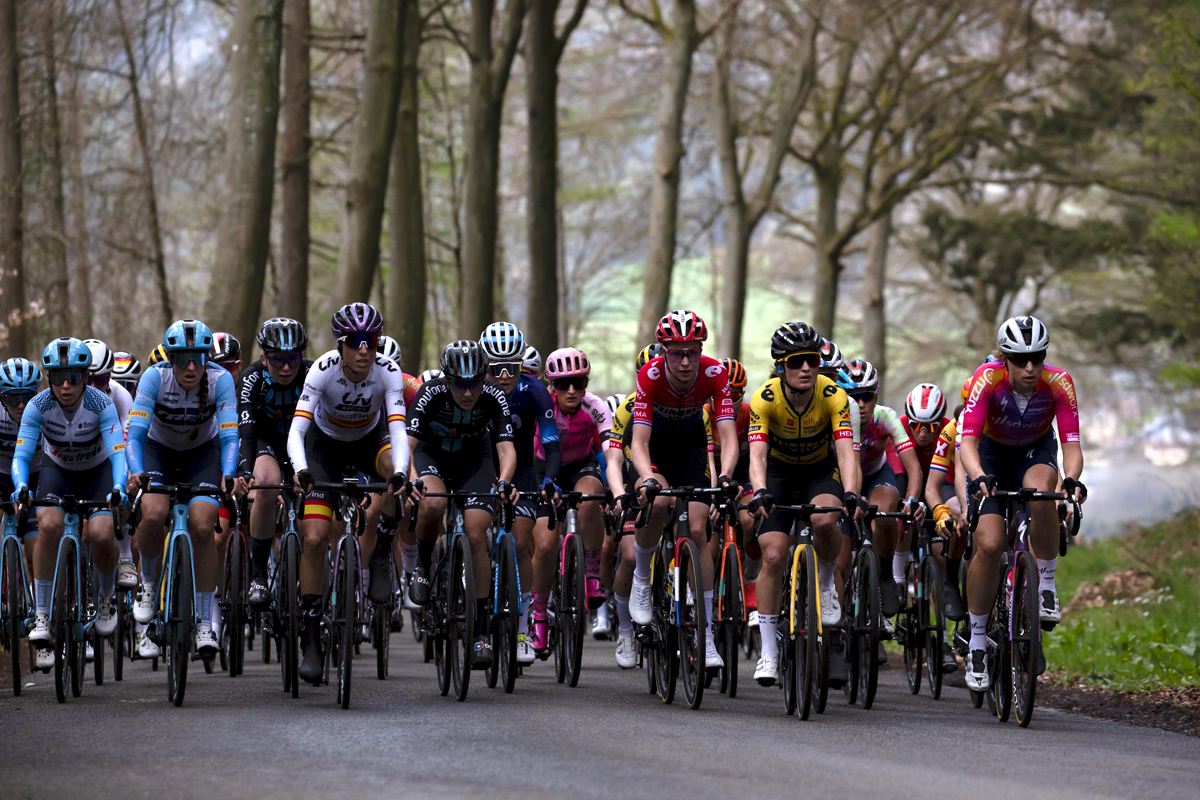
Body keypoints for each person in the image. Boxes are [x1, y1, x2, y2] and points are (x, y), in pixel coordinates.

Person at [959, 316, 1086, 691]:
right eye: (1020, 359)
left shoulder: (1059, 382)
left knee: (1044, 489)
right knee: (991, 544)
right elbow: (966, 443)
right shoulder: (987, 378)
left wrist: (1073, 481)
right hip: (991, 457)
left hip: (1034, 450)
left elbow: (1072, 447)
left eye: (1037, 357)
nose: (1030, 367)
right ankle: (978, 641)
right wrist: (979, 475)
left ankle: (1045, 585)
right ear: (1005, 358)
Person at [287, 303, 410, 685]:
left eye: (370, 341)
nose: (363, 350)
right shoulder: (321, 371)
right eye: (355, 342)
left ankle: (380, 557)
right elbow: (297, 431)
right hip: (325, 447)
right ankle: (310, 636)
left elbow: (399, 430)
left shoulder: (386, 372)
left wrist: (403, 472)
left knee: (394, 472)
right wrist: (301, 469)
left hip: (368, 442)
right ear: (341, 345)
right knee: (314, 537)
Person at [745, 322, 861, 686]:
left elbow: (846, 454)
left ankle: (825, 584)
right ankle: (768, 651)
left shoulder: (833, 395)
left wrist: (852, 494)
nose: (807, 368)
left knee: (827, 521)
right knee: (775, 556)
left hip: (818, 472)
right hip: (778, 475)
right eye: (797, 362)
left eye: (812, 360)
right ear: (781, 366)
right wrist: (760, 490)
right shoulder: (765, 398)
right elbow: (758, 456)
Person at [625, 310, 740, 670]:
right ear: (663, 352)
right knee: (657, 503)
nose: (686, 360)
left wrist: (726, 476)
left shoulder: (714, 374)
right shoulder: (651, 375)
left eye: (693, 350)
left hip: (690, 444)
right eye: (677, 352)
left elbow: (728, 435)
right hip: (655, 445)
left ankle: (705, 638)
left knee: (698, 527)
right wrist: (646, 477)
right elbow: (639, 442)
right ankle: (642, 579)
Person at [126, 320, 238, 659]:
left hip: (202, 455)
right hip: (157, 451)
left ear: (207, 357)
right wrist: (137, 473)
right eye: (182, 359)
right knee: (155, 513)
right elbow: (135, 436)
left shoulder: (221, 380)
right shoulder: (153, 378)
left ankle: (204, 621)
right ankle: (147, 585)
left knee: (204, 526)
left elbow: (230, 436)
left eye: (198, 358)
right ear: (170, 358)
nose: (191, 367)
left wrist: (229, 473)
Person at [15, 338, 127, 671]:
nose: (66, 386)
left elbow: (117, 452)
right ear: (49, 378)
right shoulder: (37, 405)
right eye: (59, 377)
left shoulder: (99, 403)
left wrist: (119, 486)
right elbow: (22, 455)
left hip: (98, 472)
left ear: (85, 377)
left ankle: (105, 600)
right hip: (57, 472)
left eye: (74, 378)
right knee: (47, 525)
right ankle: (43, 616)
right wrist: (21, 485)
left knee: (102, 533)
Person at [406, 340, 517, 667]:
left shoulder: (494, 396)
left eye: (475, 383)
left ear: (485, 377)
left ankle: (481, 632)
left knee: (475, 534)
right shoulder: (431, 393)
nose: (468, 393)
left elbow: (505, 448)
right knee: (433, 505)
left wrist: (506, 479)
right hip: (432, 456)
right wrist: (412, 478)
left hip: (473, 461)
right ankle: (424, 566)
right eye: (459, 384)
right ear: (447, 378)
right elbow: (407, 444)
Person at [479, 322, 560, 665]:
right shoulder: (473, 391)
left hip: (523, 469)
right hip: (481, 466)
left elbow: (553, 446)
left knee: (522, 541)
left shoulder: (534, 391)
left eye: (510, 368)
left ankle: (524, 628)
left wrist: (549, 480)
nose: (503, 376)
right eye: (494, 369)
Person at [835, 359, 925, 631]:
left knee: (886, 513)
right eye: (853, 397)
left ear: (876, 397)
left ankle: (885, 574)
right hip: (841, 479)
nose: (860, 405)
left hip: (876, 475)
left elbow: (913, 467)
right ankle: (837, 630)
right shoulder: (834, 419)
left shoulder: (885, 417)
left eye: (867, 397)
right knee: (840, 561)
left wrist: (911, 499)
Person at [532, 347, 611, 653]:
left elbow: (610, 449)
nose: (571, 390)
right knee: (546, 545)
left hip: (580, 465)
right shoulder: (544, 405)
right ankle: (539, 615)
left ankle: (591, 573)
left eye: (578, 382)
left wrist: (618, 486)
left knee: (592, 494)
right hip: (542, 470)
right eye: (562, 384)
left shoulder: (595, 407)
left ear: (586, 383)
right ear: (552, 386)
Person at [237, 317, 312, 607]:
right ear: (262, 358)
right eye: (277, 359)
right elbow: (246, 431)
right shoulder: (251, 378)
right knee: (266, 485)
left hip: (304, 444)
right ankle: (258, 575)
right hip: (265, 441)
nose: (285, 367)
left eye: (293, 359)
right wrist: (245, 472)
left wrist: (303, 468)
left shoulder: (311, 373)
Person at [0, 358, 42, 645]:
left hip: (37, 477)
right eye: (12, 398)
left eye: (26, 397)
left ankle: (44, 611)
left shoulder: (45, 412)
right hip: (1, 475)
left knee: (35, 544)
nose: (19, 404)